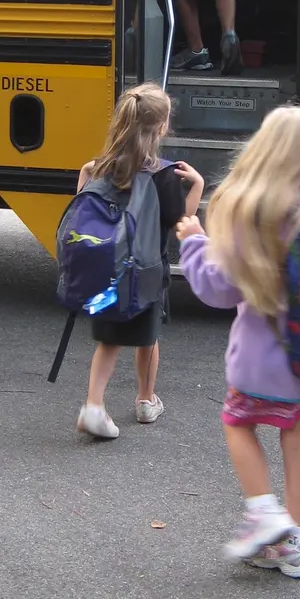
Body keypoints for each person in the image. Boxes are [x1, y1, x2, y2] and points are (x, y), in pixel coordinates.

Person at [175, 106, 300, 578]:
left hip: (266, 363)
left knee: (237, 423)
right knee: (299, 445)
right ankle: (297, 547)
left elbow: (216, 289)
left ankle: (263, 512)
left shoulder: (260, 216)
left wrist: (194, 240)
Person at [76, 83, 204, 440]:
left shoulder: (101, 168)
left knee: (109, 341)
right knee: (149, 337)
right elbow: (180, 223)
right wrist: (197, 185)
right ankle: (146, 400)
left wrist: (85, 172)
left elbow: (83, 207)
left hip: (106, 272)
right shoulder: (163, 175)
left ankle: (94, 404)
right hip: (146, 273)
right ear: (162, 127)